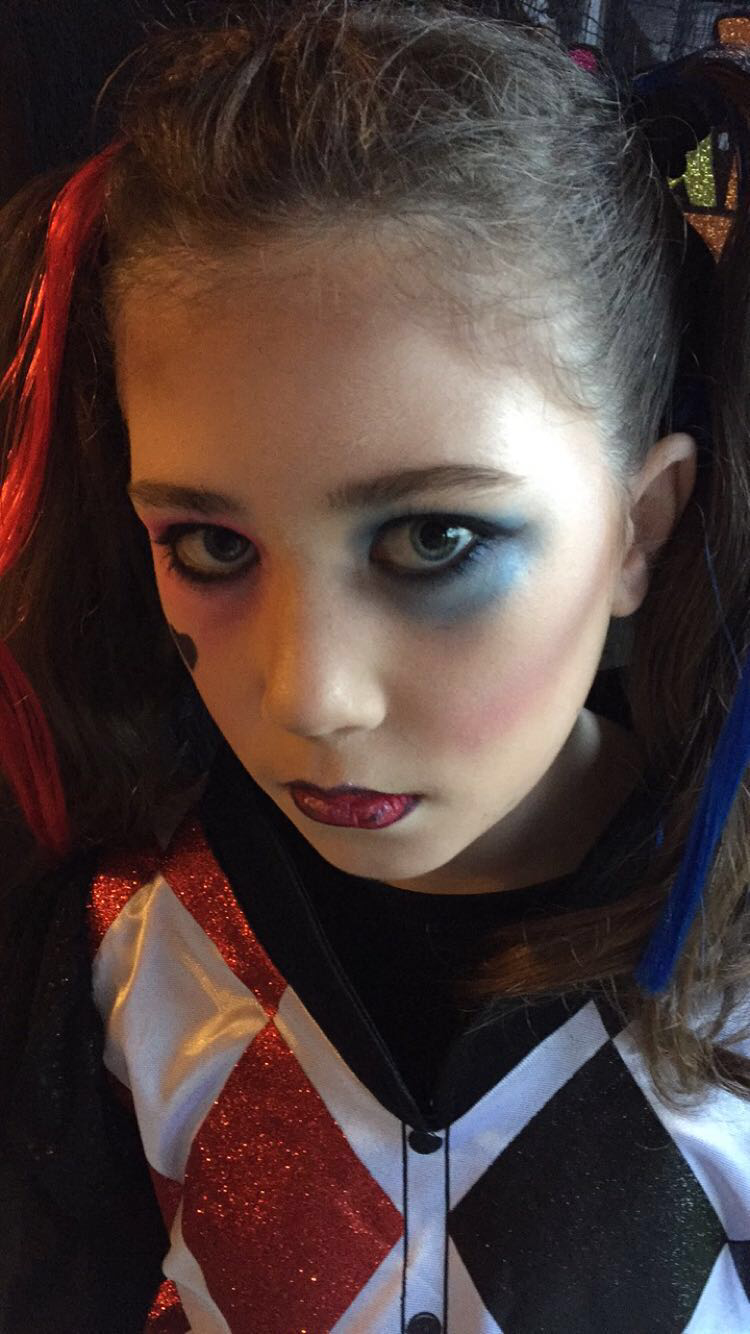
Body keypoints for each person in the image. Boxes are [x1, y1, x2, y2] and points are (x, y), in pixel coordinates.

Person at [1, 1, 750, 1330]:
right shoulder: (121, 965)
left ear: (640, 526)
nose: (309, 696)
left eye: (433, 538)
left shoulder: (729, 982)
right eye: (211, 546)